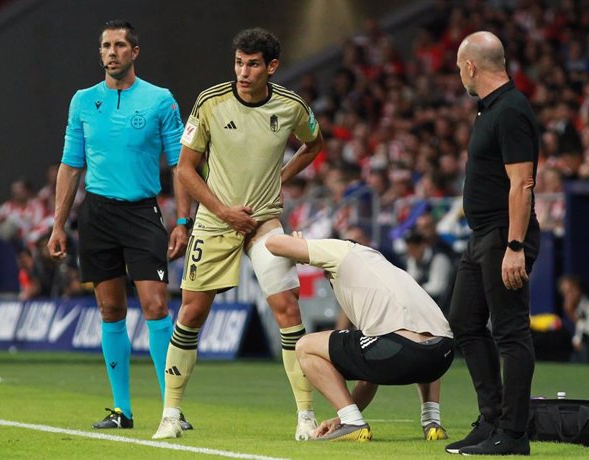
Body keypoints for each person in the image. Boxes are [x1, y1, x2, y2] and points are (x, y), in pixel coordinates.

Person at [152, 28, 324, 440]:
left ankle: (305, 416)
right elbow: (185, 169)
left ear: (271, 67)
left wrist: (281, 176)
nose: (243, 72)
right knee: (192, 313)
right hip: (216, 221)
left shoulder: (291, 106)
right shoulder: (210, 102)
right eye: (238, 63)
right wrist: (222, 211)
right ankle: (171, 414)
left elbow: (314, 143)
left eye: (252, 64)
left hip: (264, 222)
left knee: (287, 309)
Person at [47, 20, 193, 430]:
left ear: (135, 52)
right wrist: (58, 225)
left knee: (156, 305)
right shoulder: (82, 101)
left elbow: (182, 164)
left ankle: (171, 410)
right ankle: (122, 410)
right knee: (110, 309)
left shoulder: (160, 100)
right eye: (106, 46)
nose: (112, 52)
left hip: (142, 213)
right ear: (101, 53)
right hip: (96, 215)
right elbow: (71, 166)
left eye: (119, 45)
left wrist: (183, 220)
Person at [445, 31, 540, 456]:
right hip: (483, 235)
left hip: (505, 235)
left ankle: (514, 434)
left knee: (510, 331)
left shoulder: (511, 111)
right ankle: (491, 419)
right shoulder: (490, 110)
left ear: (470, 67)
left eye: (459, 68)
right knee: (464, 320)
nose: (459, 76)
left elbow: (523, 183)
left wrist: (515, 246)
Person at [265, 232, 454, 441]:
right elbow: (368, 376)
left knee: (305, 346)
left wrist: (300, 245)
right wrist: (342, 417)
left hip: (401, 350)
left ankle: (353, 423)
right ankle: (432, 422)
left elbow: (273, 243)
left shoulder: (342, 250)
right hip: (443, 355)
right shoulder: (382, 269)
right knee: (425, 335)